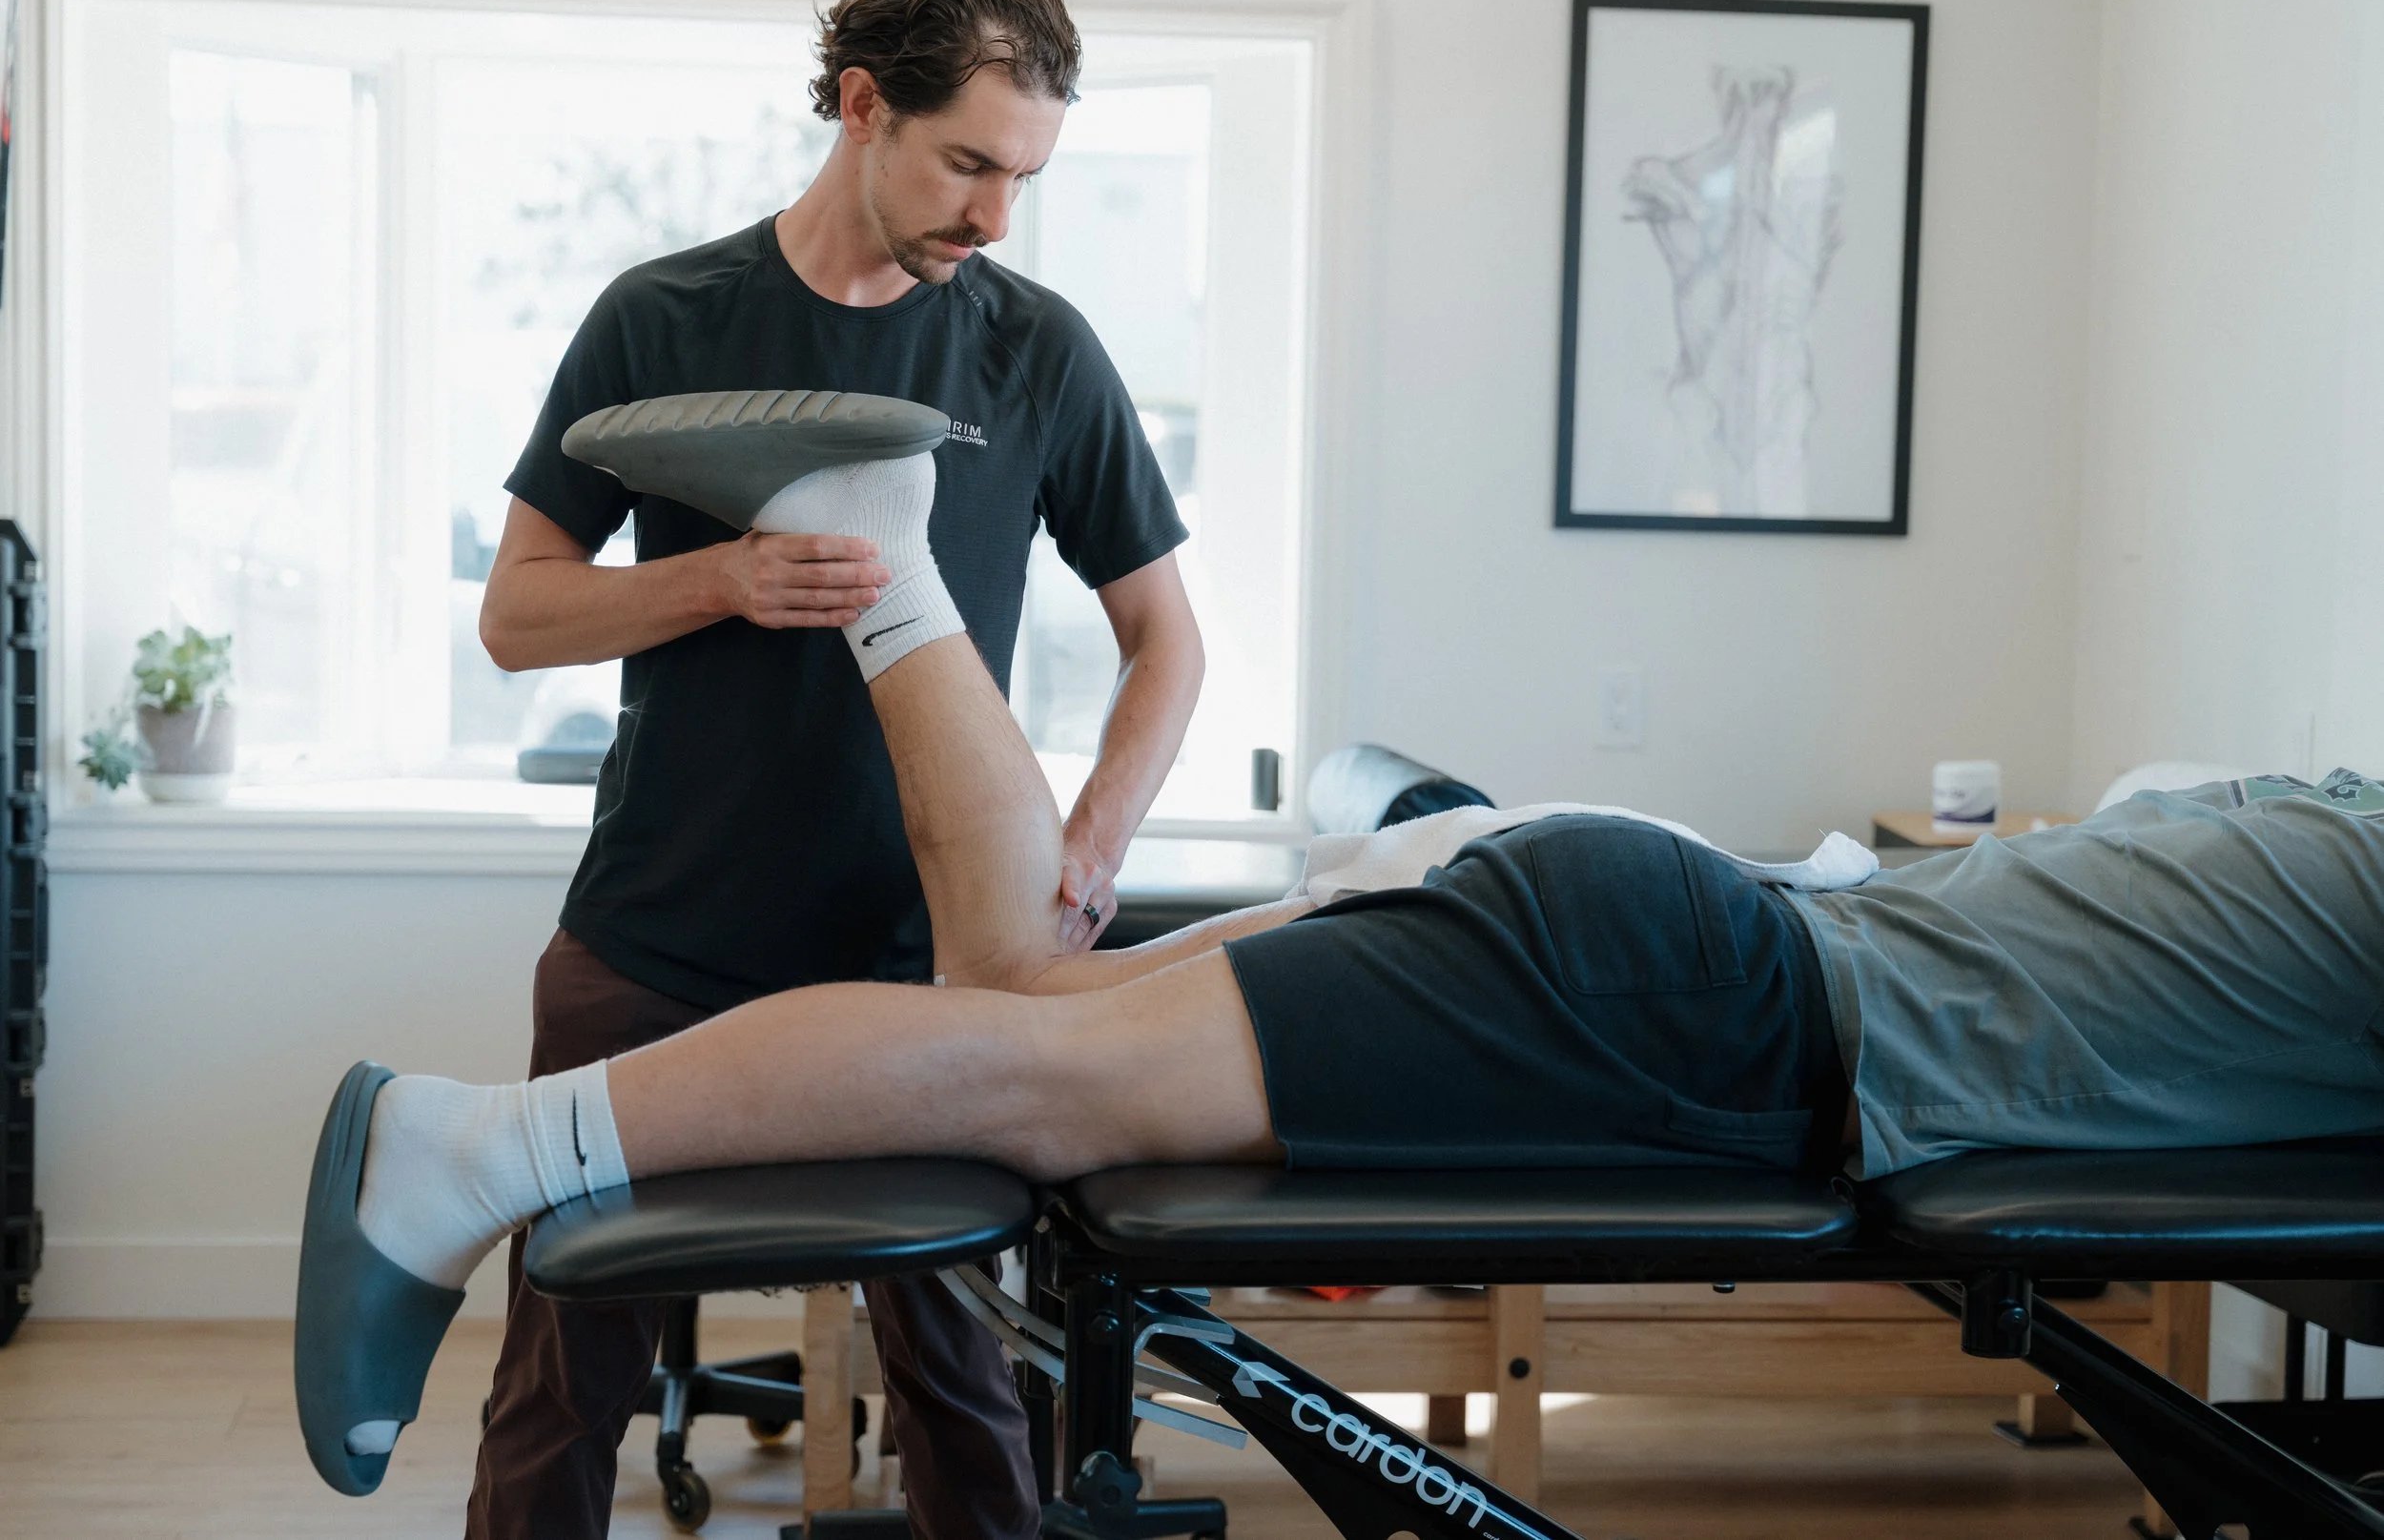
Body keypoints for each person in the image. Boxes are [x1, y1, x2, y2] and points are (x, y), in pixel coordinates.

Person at [298, 417, 2384, 1497]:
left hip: (1663, 915)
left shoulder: (2318, 805)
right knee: (1043, 1074)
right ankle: (473, 1146)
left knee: (1018, 1011)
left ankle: (888, 565)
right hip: (1710, 1001)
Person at [463, 0, 1202, 1536]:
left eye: (1026, 177)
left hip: (923, 973)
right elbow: (517, 614)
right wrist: (720, 580)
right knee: (559, 1387)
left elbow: (1168, 639)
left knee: (968, 1395)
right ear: (863, 105)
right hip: (655, 944)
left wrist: (1088, 853)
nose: (996, 214)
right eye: (969, 163)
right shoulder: (662, 317)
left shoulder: (1036, 350)